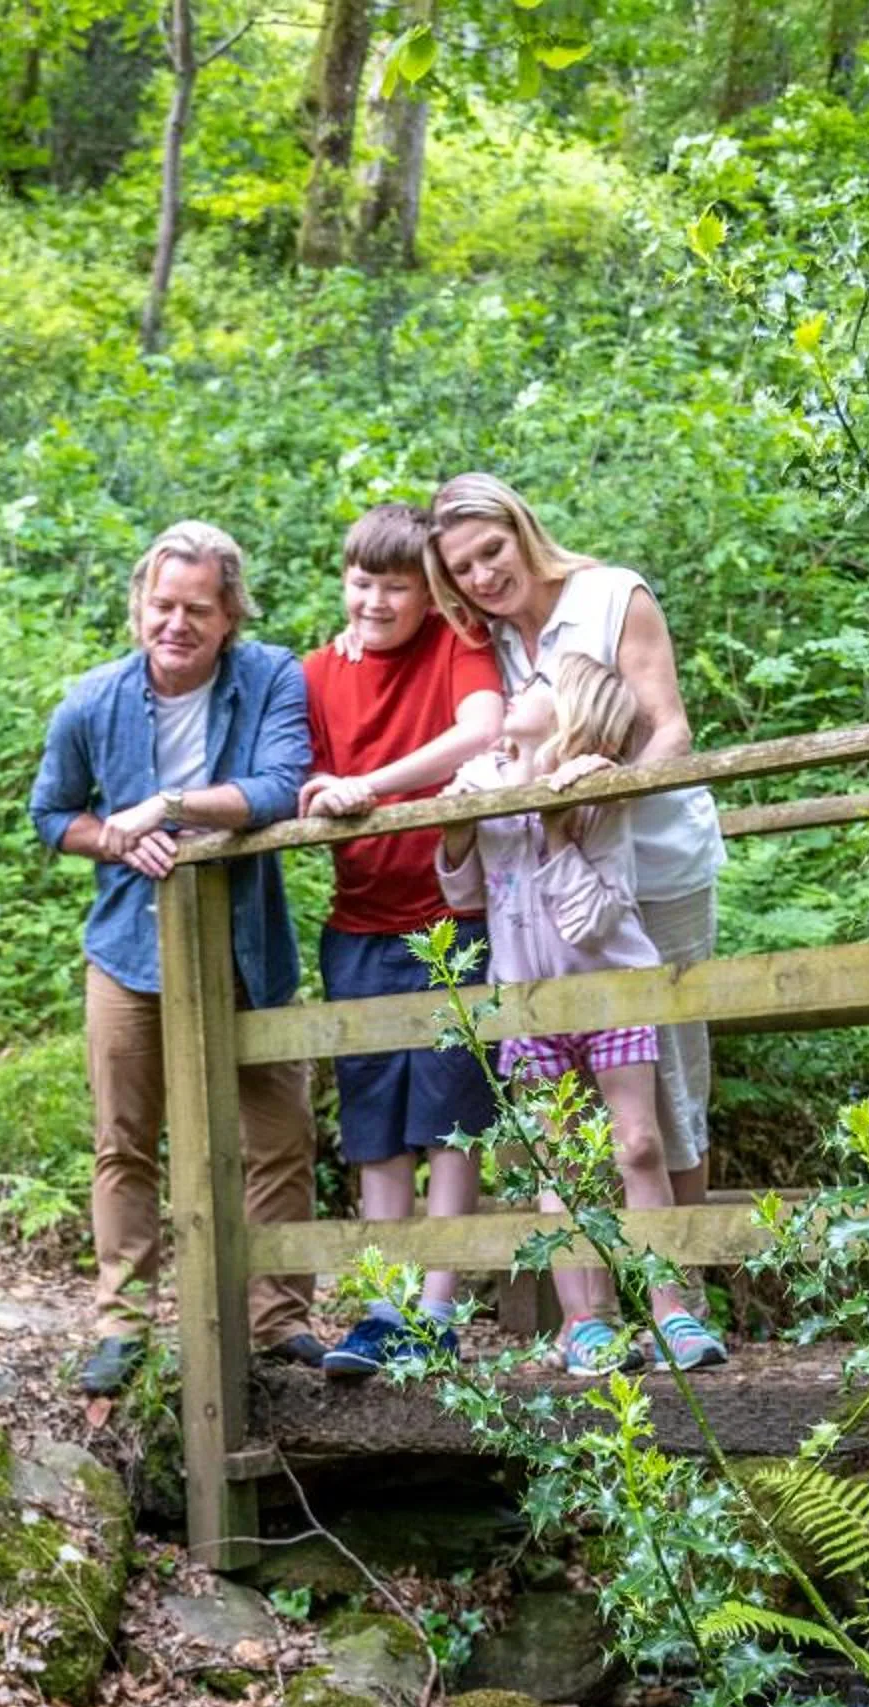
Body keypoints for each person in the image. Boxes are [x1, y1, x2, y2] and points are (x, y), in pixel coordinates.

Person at [29, 519, 322, 1397]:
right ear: (138, 607)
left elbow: (279, 787)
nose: (176, 624)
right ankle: (122, 1324)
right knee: (124, 1139)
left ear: (229, 616)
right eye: (162, 605)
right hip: (128, 946)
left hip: (248, 944)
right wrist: (117, 840)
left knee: (281, 1134)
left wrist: (166, 806)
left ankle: (279, 1319)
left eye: (198, 609)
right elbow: (53, 814)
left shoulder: (270, 676)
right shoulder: (92, 700)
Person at [426, 473, 724, 1212]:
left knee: (668, 1086)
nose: (483, 575)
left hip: (656, 866)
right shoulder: (488, 642)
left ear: (522, 531)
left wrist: (601, 797)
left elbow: (671, 730)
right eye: (463, 568)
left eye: (492, 550)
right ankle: (596, 1281)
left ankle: (686, 1270)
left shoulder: (612, 596)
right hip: (550, 895)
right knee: (571, 1109)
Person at [436, 655, 728, 1377]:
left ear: (571, 713)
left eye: (536, 686)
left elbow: (594, 917)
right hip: (528, 1002)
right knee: (562, 1160)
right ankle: (584, 1323)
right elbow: (466, 897)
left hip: (611, 989)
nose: (516, 691)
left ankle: (671, 1312)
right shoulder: (482, 781)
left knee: (639, 1146)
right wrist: (458, 829)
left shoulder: (599, 793)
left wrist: (559, 829)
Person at [298, 501, 505, 1381]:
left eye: (395, 587)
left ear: (429, 593)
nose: (375, 603)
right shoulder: (317, 671)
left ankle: (437, 1313)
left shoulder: (457, 644)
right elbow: (296, 771)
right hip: (359, 923)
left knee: (451, 1122)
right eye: (361, 584)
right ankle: (385, 1310)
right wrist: (325, 787)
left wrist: (369, 786)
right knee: (374, 1127)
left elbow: (482, 730)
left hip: (453, 916)